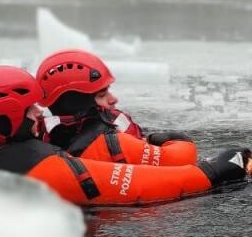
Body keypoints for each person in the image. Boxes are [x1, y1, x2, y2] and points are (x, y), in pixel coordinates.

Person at [0, 65, 250, 206]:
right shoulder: (41, 166)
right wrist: (218, 168)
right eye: (28, 109)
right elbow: (150, 186)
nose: (37, 113)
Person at [35, 49, 198, 166]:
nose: (114, 100)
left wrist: (153, 140)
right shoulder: (40, 136)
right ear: (76, 104)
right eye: (101, 95)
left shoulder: (39, 135)